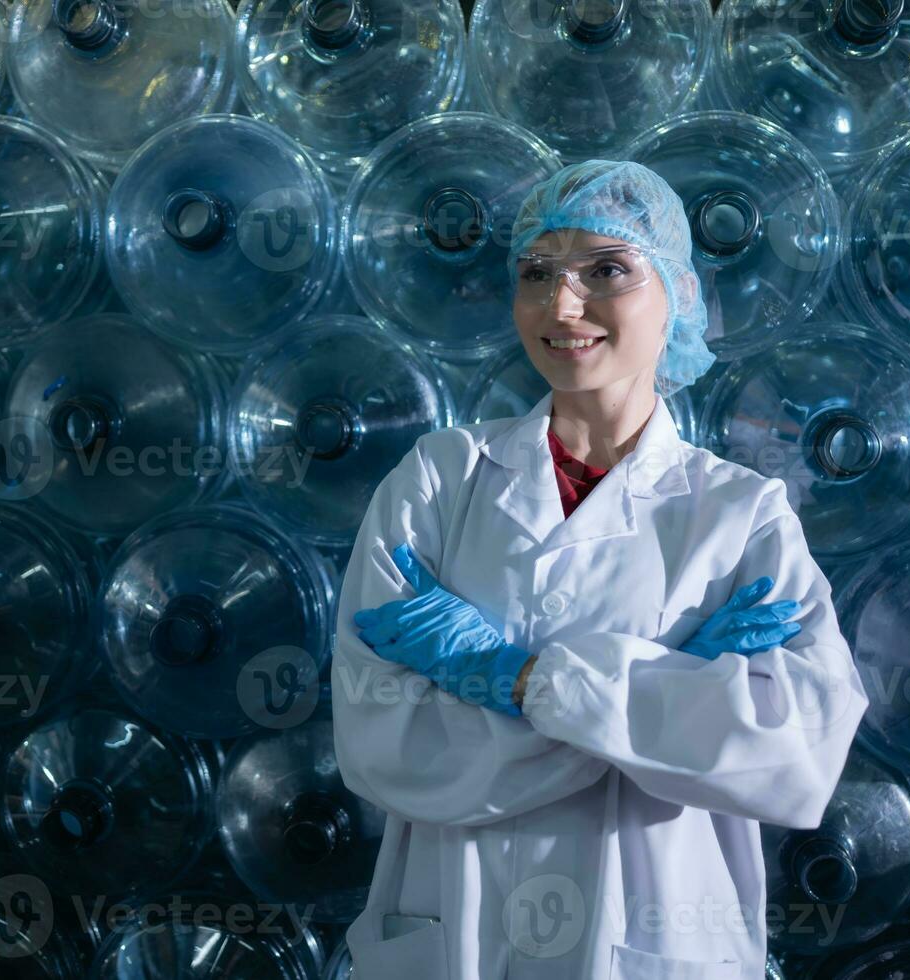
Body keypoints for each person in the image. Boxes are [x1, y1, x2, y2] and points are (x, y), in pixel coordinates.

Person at [330, 160, 869, 980]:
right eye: (536, 273)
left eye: (607, 270)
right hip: (454, 935)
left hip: (659, 934)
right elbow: (382, 748)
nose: (562, 305)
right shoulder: (438, 480)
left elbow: (795, 755)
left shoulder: (742, 513)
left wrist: (518, 682)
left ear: (678, 296)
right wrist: (673, 692)